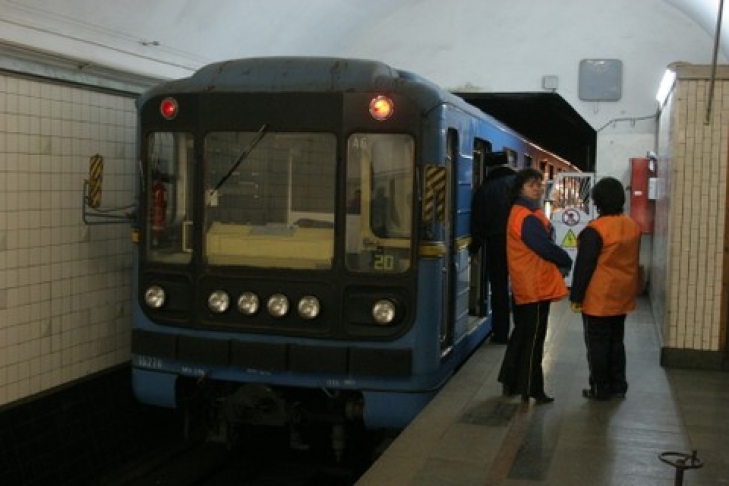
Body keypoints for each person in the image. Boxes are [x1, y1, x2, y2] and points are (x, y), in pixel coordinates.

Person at [498, 168, 572, 404]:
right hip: (535, 285)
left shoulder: (520, 211)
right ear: (520, 188)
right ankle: (531, 388)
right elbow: (542, 246)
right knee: (534, 339)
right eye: (532, 185)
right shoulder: (527, 217)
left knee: (521, 334)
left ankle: (510, 381)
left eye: (540, 184)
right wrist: (565, 258)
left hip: (526, 283)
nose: (538, 188)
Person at [569, 177, 641, 401]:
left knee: (597, 345)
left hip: (599, 298)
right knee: (616, 342)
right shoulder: (631, 225)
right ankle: (619, 386)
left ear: (597, 200)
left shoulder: (595, 230)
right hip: (622, 294)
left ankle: (600, 388)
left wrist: (576, 296)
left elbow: (584, 267)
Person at [469, 158, 516, 343]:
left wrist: (475, 248)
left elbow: (479, 222)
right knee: (520, 288)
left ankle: (501, 333)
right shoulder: (519, 185)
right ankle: (521, 332)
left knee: (498, 289)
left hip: (496, 243)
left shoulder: (485, 189)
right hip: (519, 243)